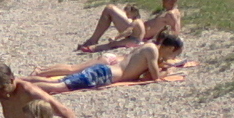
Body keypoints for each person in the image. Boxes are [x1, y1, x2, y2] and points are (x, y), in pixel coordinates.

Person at [28, 35, 184, 93]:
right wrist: (167, 72)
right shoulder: (152, 50)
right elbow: (154, 77)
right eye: (174, 54)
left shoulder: (149, 47)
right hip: (105, 74)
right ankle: (22, 84)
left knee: (60, 82)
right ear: (170, 48)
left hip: (105, 72)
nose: (172, 58)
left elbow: (144, 75)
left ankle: (23, 81)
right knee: (60, 86)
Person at [78, 0, 181, 52]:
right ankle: (93, 40)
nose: (163, 1)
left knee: (109, 9)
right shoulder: (174, 12)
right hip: (140, 29)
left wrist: (157, 42)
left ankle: (92, 40)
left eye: (166, 0)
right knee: (111, 9)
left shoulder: (171, 14)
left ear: (174, 1)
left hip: (137, 32)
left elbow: (175, 33)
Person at [79, 5, 145, 53]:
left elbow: (128, 31)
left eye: (128, 14)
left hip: (134, 40)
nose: (127, 16)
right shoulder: (139, 21)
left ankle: (93, 48)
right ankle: (92, 46)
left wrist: (115, 37)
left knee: (113, 44)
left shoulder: (135, 22)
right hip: (136, 39)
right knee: (115, 43)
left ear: (133, 13)